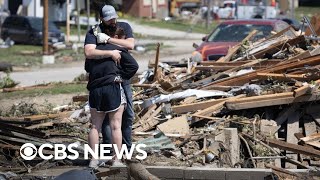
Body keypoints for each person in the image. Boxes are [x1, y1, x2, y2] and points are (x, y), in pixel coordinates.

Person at [84, 4, 137, 168]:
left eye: (114, 17)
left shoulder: (124, 27)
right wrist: (111, 52)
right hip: (110, 82)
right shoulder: (93, 31)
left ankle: (119, 154)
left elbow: (131, 45)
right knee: (113, 125)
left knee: (124, 118)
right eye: (108, 19)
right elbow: (88, 52)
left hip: (113, 80)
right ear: (101, 19)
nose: (112, 21)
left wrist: (108, 40)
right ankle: (115, 158)